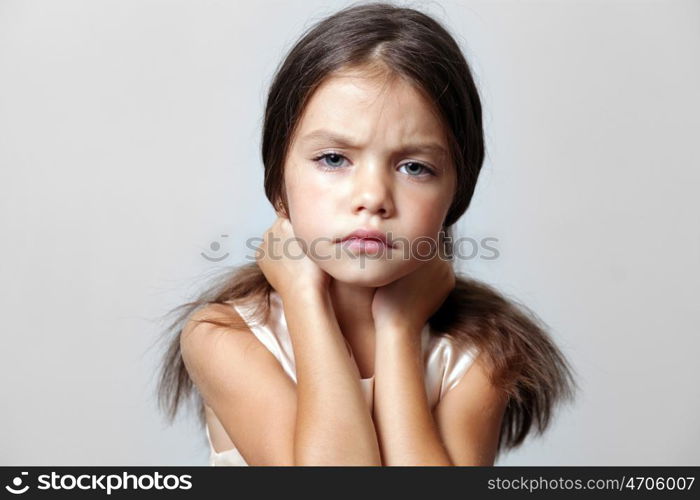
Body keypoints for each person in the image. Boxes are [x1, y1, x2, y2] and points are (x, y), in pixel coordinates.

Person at [156, 2, 577, 466]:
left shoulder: (478, 355)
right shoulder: (227, 336)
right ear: (278, 184)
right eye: (334, 159)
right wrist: (303, 298)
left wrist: (399, 328)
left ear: (456, 195)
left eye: (414, 167)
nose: (373, 196)